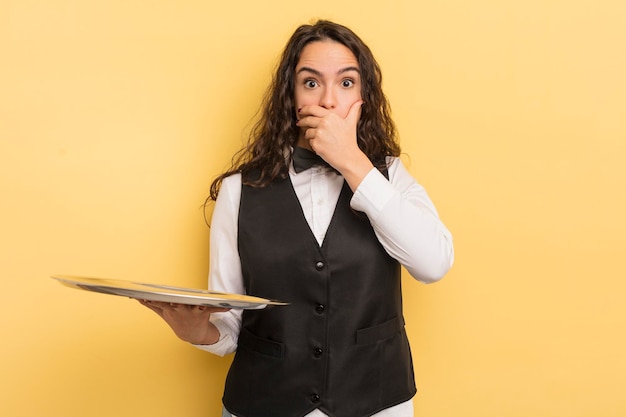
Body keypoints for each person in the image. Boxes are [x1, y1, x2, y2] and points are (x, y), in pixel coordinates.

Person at [140, 19, 454, 417]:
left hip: (377, 403)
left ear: (364, 96)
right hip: (262, 403)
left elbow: (434, 263)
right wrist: (198, 332)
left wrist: (353, 162)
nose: (327, 100)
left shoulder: (389, 177)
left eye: (345, 83)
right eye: (310, 83)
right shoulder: (240, 190)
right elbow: (232, 322)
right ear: (290, 97)